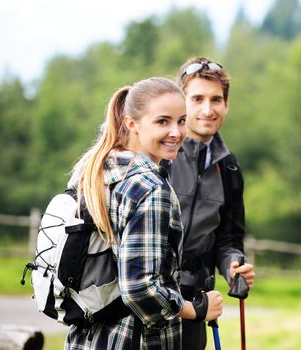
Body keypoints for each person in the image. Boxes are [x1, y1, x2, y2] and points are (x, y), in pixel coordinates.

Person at [64, 77, 223, 349]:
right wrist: (196, 309)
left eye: (182, 121)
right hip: (134, 340)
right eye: (162, 122)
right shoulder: (150, 189)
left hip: (88, 338)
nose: (176, 132)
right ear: (131, 123)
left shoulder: (95, 171)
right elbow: (140, 290)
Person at [168, 56, 255, 350]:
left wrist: (233, 266)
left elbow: (228, 239)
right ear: (182, 103)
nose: (208, 109)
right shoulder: (159, 157)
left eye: (216, 99)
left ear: (226, 105)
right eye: (198, 98)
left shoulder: (229, 169)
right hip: (150, 297)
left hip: (197, 302)